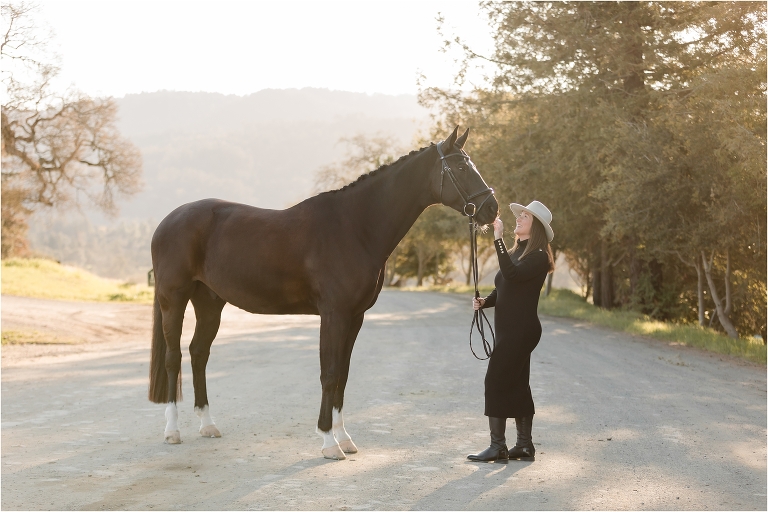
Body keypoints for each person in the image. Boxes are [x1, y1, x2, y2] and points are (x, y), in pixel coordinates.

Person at [467, 200, 555, 463]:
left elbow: (513, 275)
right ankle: (524, 446)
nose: (518, 218)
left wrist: (498, 239)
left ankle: (498, 447)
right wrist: (485, 301)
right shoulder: (517, 252)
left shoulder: (539, 256)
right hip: (511, 330)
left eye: (524, 216)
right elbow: (505, 287)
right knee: (517, 384)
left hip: (521, 330)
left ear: (535, 226)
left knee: (494, 380)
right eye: (519, 215)